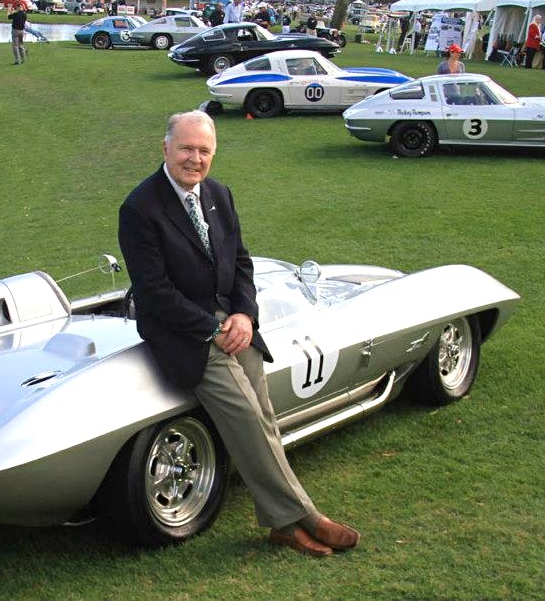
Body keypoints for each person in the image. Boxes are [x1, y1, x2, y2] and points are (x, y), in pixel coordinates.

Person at [118, 111, 362, 558]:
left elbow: (242, 264)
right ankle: (305, 518)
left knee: (263, 414)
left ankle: (281, 525)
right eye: (187, 149)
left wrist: (245, 317)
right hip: (183, 333)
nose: (195, 159)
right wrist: (213, 327)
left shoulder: (219, 195)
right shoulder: (140, 208)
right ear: (165, 148)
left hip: (231, 324)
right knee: (248, 418)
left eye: (204, 151)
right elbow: (154, 293)